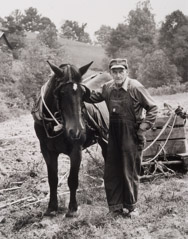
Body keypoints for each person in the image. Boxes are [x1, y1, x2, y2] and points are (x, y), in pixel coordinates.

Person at [84, 58, 158, 217]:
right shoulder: (108, 88)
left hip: (131, 133)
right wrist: (78, 90)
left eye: (121, 71)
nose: (118, 75)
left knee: (129, 170)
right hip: (114, 132)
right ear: (110, 72)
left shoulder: (135, 87)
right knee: (112, 171)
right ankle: (115, 208)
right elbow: (92, 97)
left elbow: (153, 108)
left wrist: (142, 129)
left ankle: (130, 207)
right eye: (114, 71)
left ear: (126, 71)